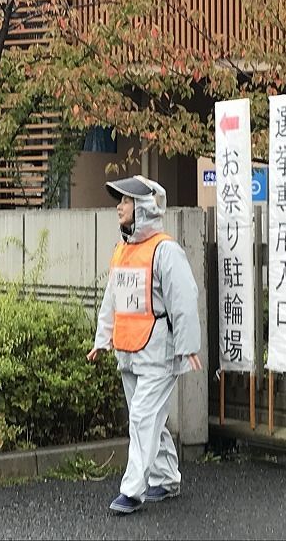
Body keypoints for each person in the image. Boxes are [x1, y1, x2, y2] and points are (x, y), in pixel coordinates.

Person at [87, 174, 203, 515]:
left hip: (158, 353)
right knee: (150, 418)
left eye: (125, 201)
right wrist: (102, 340)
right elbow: (113, 300)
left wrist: (187, 347)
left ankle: (133, 490)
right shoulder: (123, 251)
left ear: (143, 207)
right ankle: (166, 478)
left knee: (141, 417)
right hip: (128, 349)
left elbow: (183, 300)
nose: (119, 207)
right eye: (120, 200)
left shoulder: (165, 250)